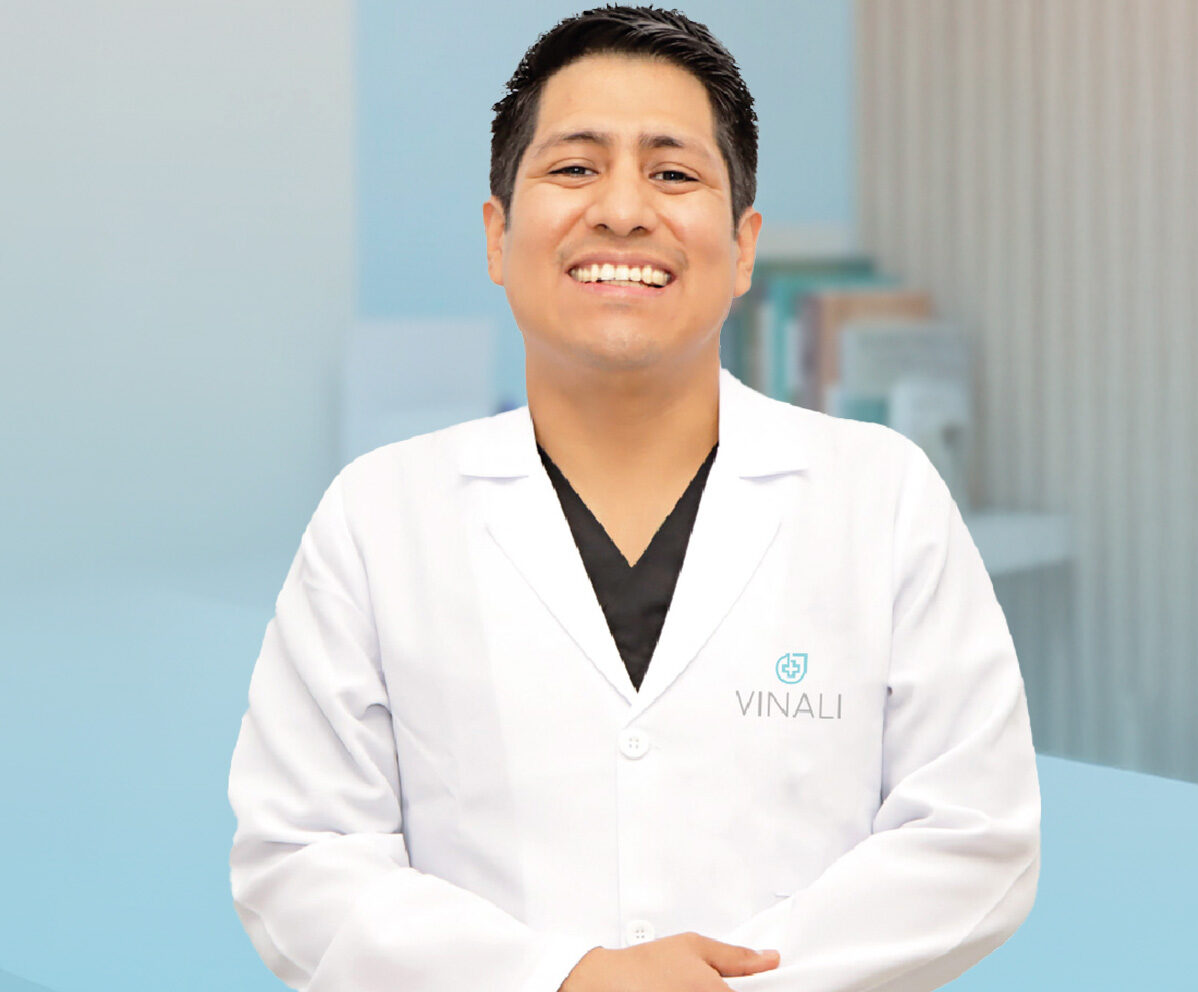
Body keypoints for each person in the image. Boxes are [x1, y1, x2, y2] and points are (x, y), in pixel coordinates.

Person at [227, 6, 1041, 992]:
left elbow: (974, 836)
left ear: (743, 247)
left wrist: (731, 987)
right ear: (497, 235)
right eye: (575, 167)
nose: (622, 210)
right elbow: (301, 860)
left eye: (674, 173)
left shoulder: (882, 497)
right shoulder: (378, 518)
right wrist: (560, 977)